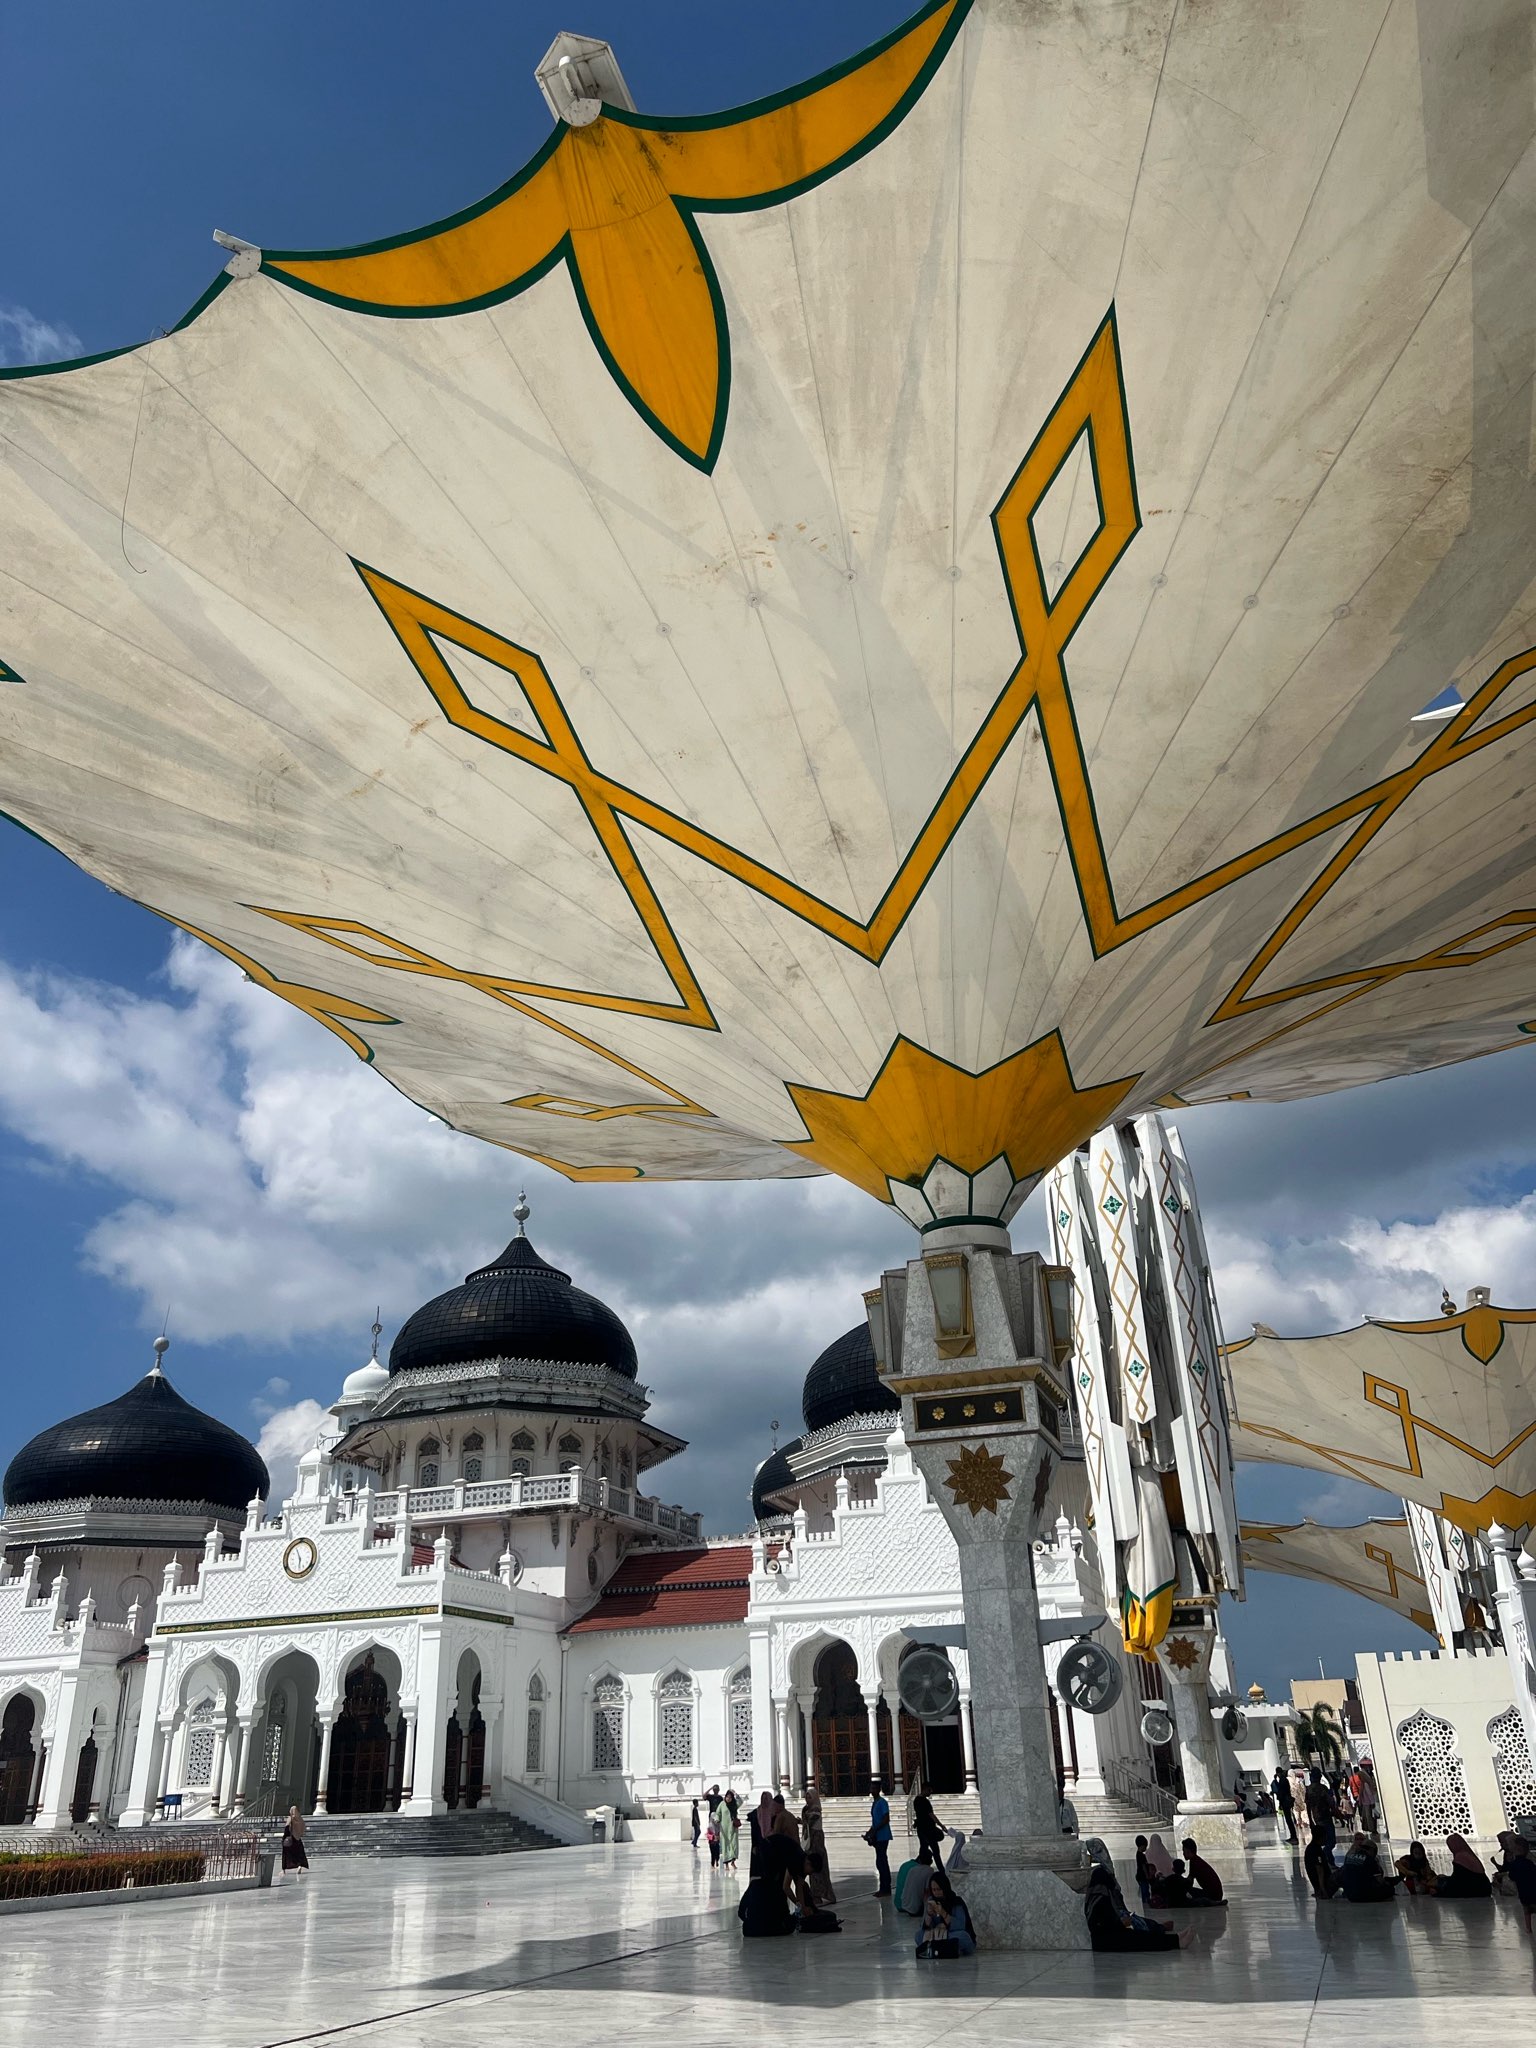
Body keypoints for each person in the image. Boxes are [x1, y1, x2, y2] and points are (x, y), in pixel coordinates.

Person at [1084, 1856, 1180, 1952]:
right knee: (1143, 1939)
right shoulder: (1101, 1900)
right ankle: (1175, 1939)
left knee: (1141, 1930)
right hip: (1108, 1940)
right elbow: (1107, 1925)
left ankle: (1173, 1936)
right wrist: (1123, 1922)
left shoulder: (1093, 1900)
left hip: (1107, 1938)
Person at [916, 1866, 976, 1957]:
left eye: (939, 1889)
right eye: (934, 1890)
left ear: (945, 1888)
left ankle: (938, 1946)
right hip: (938, 1935)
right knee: (919, 1935)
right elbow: (925, 1928)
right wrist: (929, 1914)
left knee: (963, 1936)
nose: (936, 1893)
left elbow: (961, 1926)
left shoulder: (956, 1902)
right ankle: (945, 1947)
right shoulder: (931, 1900)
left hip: (951, 1934)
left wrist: (943, 1913)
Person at [799, 1788, 837, 1907]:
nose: (807, 1799)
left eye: (809, 1797)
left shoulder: (816, 1809)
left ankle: (821, 1895)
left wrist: (802, 1820)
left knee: (818, 1868)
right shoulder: (806, 1809)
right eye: (806, 1797)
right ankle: (815, 1894)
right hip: (810, 1841)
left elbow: (810, 1821)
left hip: (817, 1841)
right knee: (811, 1867)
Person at [1339, 1833, 1400, 1903]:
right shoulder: (1370, 1860)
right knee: (1389, 1890)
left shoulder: (1349, 1857)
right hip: (1361, 1895)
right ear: (1372, 1850)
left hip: (1349, 1894)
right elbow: (1380, 1881)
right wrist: (1388, 1884)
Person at [1493, 1833, 1536, 1933]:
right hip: (1532, 1889)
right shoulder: (1525, 1861)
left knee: (1526, 1910)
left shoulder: (1516, 1861)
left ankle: (1528, 1928)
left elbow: (1512, 1875)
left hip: (1523, 1891)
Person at [867, 1780, 893, 1896]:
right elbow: (875, 1821)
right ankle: (883, 1887)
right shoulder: (875, 1803)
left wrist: (876, 1830)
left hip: (883, 1836)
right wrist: (870, 1832)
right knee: (880, 1861)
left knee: (882, 1861)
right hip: (877, 1835)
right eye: (871, 1788)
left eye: (874, 1788)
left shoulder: (882, 1802)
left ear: (879, 1790)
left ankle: (886, 1887)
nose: (872, 1790)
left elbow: (886, 1818)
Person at [1181, 1837, 1224, 1905]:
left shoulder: (1194, 1861)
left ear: (1188, 1851)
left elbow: (1189, 1882)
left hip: (1213, 1895)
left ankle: (1210, 1901)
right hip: (1217, 1894)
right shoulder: (1196, 1860)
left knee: (1188, 1891)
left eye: (1184, 1851)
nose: (1183, 1854)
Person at [912, 1791, 945, 1863]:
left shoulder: (916, 1800)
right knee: (935, 1849)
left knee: (923, 1847)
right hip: (929, 1829)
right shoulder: (925, 1801)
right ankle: (940, 1867)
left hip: (920, 1827)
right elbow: (931, 1814)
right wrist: (941, 1825)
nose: (930, 1792)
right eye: (929, 1790)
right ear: (925, 1789)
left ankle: (919, 1863)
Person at [748, 1790, 775, 1877]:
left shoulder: (774, 1813)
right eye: (763, 1799)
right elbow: (754, 1831)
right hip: (759, 1842)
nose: (764, 1801)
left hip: (771, 1843)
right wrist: (754, 1845)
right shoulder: (756, 1813)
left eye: (766, 1799)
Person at [281, 1805, 309, 1877]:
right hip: (298, 1839)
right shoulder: (300, 1819)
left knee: (286, 1854)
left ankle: (283, 1869)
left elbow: (287, 1828)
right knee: (299, 1853)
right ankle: (299, 1865)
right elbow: (303, 1828)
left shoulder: (290, 1818)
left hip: (290, 1840)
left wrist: (284, 1838)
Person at [1272, 1769, 1298, 1843]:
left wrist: (1280, 1803)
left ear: (1278, 1773)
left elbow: (1281, 1792)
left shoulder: (1282, 1780)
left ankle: (1294, 1837)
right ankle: (1293, 1836)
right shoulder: (1284, 1779)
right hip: (1286, 1801)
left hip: (1285, 1802)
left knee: (1288, 1819)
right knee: (1289, 1819)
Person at [716, 1790, 740, 1870]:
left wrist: (736, 1794)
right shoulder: (722, 1804)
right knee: (725, 1845)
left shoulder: (734, 1804)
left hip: (733, 1828)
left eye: (730, 1797)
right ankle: (726, 1865)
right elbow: (718, 1813)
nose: (728, 1799)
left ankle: (733, 1862)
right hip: (724, 1828)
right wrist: (717, 1819)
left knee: (734, 1845)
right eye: (727, 1797)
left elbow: (740, 1801)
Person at [1134, 1835, 1153, 1910]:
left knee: (1144, 1889)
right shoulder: (1141, 1855)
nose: (1145, 1848)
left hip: (1140, 1875)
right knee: (1145, 1889)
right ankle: (1146, 1902)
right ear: (1142, 1846)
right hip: (1142, 1876)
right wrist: (1147, 1875)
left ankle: (1145, 1902)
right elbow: (1143, 1866)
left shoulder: (1138, 1854)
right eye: (1145, 1846)